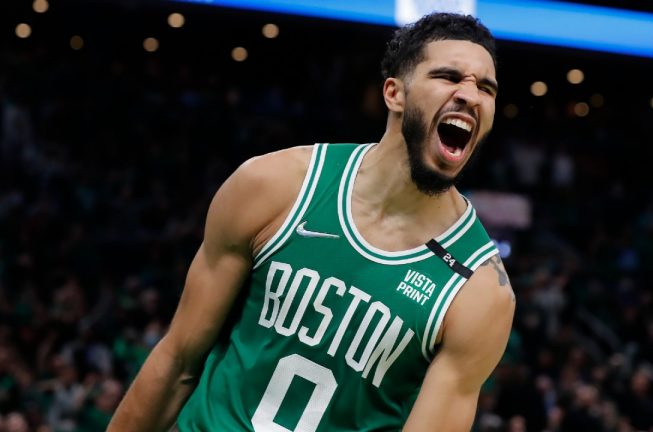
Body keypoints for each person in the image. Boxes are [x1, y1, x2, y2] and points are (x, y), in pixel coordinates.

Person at [108, 12, 516, 431]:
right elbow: (177, 361)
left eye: (486, 87)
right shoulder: (275, 185)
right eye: (449, 76)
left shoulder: (480, 290)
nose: (471, 95)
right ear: (394, 93)